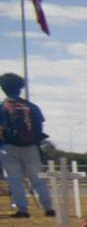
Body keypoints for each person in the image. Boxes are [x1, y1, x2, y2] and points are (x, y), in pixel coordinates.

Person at [0, 73, 54, 218]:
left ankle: (22, 210)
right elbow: (40, 127)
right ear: (20, 88)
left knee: (14, 179)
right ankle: (49, 208)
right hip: (31, 146)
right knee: (38, 179)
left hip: (8, 147)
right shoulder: (31, 107)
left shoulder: (2, 107)